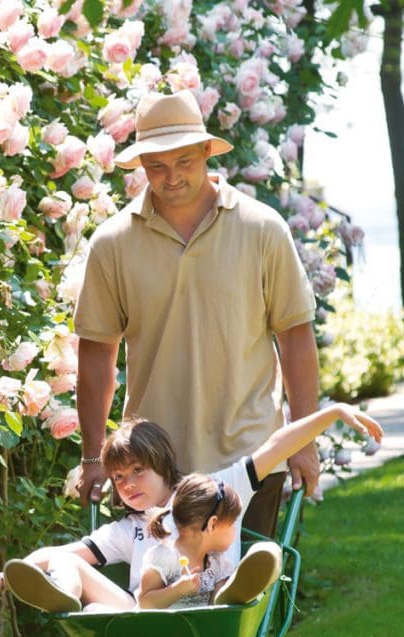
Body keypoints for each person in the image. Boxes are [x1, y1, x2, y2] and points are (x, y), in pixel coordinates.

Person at [73, 89, 320, 539]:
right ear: (141, 166)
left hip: (251, 457)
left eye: (184, 162)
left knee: (244, 601)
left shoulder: (262, 229)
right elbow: (95, 359)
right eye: (157, 167)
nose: (171, 178)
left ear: (207, 151)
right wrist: (93, 458)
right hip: (151, 468)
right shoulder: (112, 244)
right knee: (157, 600)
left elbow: (296, 339)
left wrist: (302, 441)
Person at [0, 403, 382, 614]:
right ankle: (68, 599)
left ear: (162, 465)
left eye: (137, 471)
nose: (127, 484)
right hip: (148, 626)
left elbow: (273, 447)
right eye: (118, 478)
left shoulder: (216, 490)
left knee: (260, 559)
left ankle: (231, 592)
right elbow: (63, 552)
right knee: (65, 563)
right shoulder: (127, 531)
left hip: (210, 618)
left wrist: (333, 413)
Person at [138, 475, 283, 610]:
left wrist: (226, 594)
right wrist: (176, 590)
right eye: (232, 523)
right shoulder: (164, 556)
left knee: (224, 598)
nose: (234, 530)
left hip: (203, 634)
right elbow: (144, 603)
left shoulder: (216, 563)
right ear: (212, 524)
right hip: (164, 633)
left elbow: (217, 604)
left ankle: (244, 584)